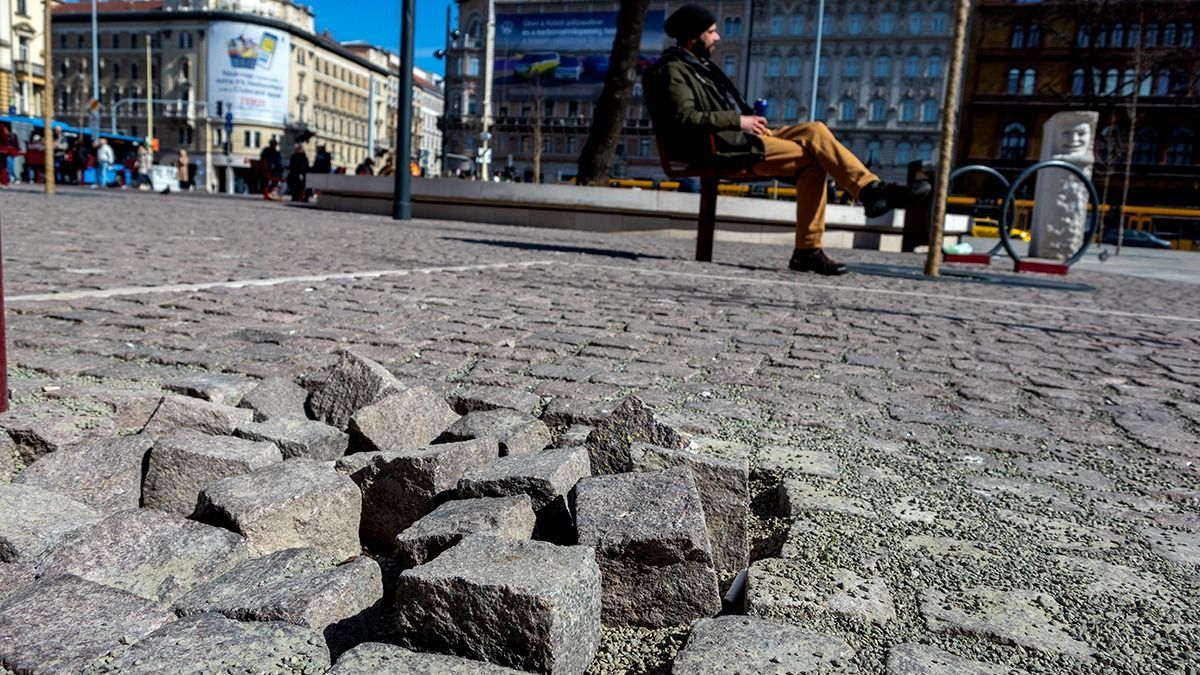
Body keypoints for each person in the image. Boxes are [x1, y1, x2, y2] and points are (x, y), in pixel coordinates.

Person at [644, 4, 930, 275]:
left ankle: (870, 189)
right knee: (813, 162)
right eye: (712, 31)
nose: (718, 37)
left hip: (735, 138)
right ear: (695, 37)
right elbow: (683, 118)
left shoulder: (697, 66)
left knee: (815, 129)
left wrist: (747, 122)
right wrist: (739, 120)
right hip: (720, 147)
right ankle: (811, 246)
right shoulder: (674, 70)